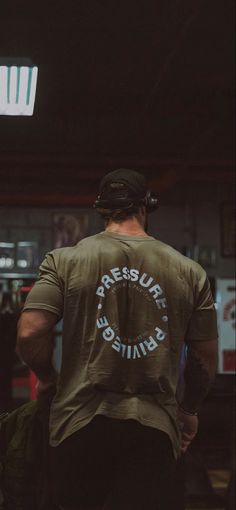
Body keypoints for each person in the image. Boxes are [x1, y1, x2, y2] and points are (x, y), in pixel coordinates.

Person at [17, 169, 218, 510]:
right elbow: (204, 357)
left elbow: (30, 331)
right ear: (146, 206)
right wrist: (190, 410)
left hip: (77, 424)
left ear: (102, 209)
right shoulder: (188, 271)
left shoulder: (64, 261)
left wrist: (50, 379)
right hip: (152, 429)